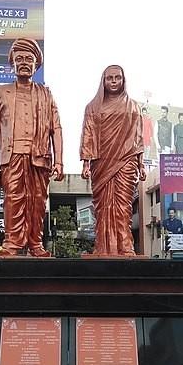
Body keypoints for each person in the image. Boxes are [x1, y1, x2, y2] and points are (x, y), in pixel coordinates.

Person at [0, 38, 64, 257]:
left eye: (29, 59)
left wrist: (59, 161)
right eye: (19, 58)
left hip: (39, 156)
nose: (24, 63)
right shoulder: (0, 93)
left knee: (38, 200)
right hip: (12, 156)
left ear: (36, 64)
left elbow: (56, 127)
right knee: (13, 199)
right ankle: (11, 243)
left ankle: (35, 243)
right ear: (12, 63)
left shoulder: (46, 94)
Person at [80, 65, 146, 256]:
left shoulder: (133, 106)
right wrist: (85, 162)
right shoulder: (92, 107)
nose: (114, 81)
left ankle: (125, 246)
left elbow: (138, 137)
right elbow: (88, 134)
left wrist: (141, 164)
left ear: (124, 80)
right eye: (110, 78)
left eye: (118, 77)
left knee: (123, 205)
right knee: (102, 207)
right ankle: (102, 246)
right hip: (101, 162)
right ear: (103, 81)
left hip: (126, 161)